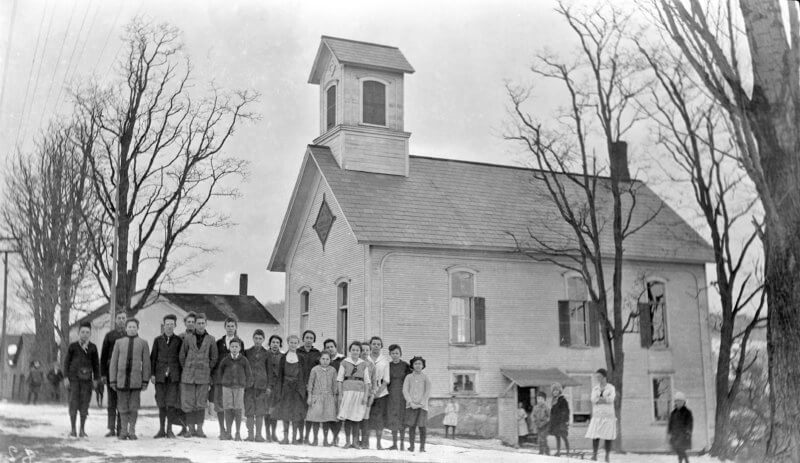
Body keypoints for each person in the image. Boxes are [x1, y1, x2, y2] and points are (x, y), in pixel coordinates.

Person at [109, 318, 151, 440]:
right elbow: (113, 363)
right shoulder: (119, 342)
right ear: (126, 328)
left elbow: (146, 364)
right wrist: (113, 380)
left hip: (136, 381)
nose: (132, 329)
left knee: (133, 407)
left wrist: (145, 381)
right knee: (122, 407)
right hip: (121, 380)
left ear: (138, 328)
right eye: (129, 327)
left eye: (134, 327)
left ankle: (132, 431)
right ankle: (123, 431)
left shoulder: (143, 343)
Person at [179, 313, 218, 438]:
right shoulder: (188, 338)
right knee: (189, 403)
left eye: (203, 323)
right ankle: (190, 429)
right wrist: (188, 368)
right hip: (188, 377)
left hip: (203, 376)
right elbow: (182, 356)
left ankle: (200, 429)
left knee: (201, 403)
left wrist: (206, 368)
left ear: (206, 324)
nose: (201, 325)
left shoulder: (211, 339)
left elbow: (214, 358)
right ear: (195, 324)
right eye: (198, 323)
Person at [64, 321, 100, 438]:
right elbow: (66, 363)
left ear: (90, 334)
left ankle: (82, 430)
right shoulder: (73, 347)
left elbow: (96, 365)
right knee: (73, 403)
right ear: (78, 333)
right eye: (82, 332)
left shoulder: (93, 348)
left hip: (87, 380)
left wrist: (96, 379)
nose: (85, 334)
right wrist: (66, 377)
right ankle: (73, 429)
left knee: (85, 403)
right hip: (74, 379)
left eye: (87, 332)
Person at [150, 314, 183, 438]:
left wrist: (178, 375)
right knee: (161, 403)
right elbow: (153, 358)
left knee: (171, 404)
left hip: (173, 377)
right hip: (160, 377)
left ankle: (169, 430)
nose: (169, 327)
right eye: (167, 324)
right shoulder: (157, 340)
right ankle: (161, 430)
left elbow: (181, 359)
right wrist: (152, 374)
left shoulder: (179, 341)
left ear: (175, 326)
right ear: (164, 326)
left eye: (171, 324)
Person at [337, 341, 370, 449]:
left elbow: (367, 381)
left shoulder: (364, 364)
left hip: (359, 393)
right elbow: (339, 379)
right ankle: (347, 441)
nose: (355, 352)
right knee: (347, 417)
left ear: (360, 352)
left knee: (356, 417)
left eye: (357, 350)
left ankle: (355, 442)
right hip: (347, 392)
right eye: (353, 350)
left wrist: (365, 396)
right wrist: (340, 394)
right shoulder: (344, 362)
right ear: (350, 351)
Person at [218, 337, 252, 441]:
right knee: (228, 409)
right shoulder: (225, 360)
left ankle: (237, 432)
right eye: (232, 346)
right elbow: (220, 372)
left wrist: (246, 384)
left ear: (240, 348)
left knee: (238, 409)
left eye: (236, 346)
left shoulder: (244, 360)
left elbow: (248, 373)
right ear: (229, 348)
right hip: (227, 387)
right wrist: (222, 382)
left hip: (239, 387)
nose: (234, 348)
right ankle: (228, 432)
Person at [277, 334, 307, 444]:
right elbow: (280, 375)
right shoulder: (283, 357)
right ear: (288, 343)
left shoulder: (301, 358)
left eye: (295, 343)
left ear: (298, 344)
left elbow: (304, 375)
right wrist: (280, 390)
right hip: (286, 387)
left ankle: (294, 438)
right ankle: (285, 437)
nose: (293, 345)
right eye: (291, 342)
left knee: (295, 413)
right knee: (285, 412)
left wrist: (302, 389)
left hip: (297, 388)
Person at [100, 311, 127, 437]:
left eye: (123, 318)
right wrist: (103, 374)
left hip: (125, 374)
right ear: (115, 320)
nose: (121, 320)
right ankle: (111, 428)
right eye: (119, 318)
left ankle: (122, 427)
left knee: (123, 401)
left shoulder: (130, 335)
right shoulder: (110, 336)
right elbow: (104, 356)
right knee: (112, 402)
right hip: (111, 373)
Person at [212, 317, 238, 439]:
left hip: (234, 381)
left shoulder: (239, 343)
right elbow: (215, 360)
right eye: (228, 326)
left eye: (232, 326)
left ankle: (229, 431)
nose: (230, 328)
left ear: (236, 328)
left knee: (231, 405)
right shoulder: (218, 343)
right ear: (225, 327)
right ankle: (222, 430)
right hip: (220, 379)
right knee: (219, 404)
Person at [306, 351, 338, 446]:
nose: (325, 361)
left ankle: (325, 440)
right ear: (319, 359)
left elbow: (335, 385)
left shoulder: (333, 370)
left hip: (329, 398)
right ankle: (315, 439)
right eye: (323, 359)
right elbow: (310, 384)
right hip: (317, 396)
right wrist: (309, 396)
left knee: (327, 419)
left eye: (327, 359)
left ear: (330, 360)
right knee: (315, 419)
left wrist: (335, 396)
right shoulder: (315, 370)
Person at [585, 368, 617, 462]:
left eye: (599, 376)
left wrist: (600, 399)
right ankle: (594, 455)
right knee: (595, 434)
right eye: (597, 377)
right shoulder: (595, 388)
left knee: (608, 436)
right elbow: (593, 399)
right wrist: (604, 399)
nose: (598, 378)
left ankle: (607, 456)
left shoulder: (611, 388)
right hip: (598, 414)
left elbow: (611, 399)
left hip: (608, 415)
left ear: (604, 377)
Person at [365, 336, 390, 449]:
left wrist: (377, 394)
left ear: (381, 347)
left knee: (379, 419)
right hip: (367, 391)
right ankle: (366, 442)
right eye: (374, 344)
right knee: (366, 417)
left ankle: (379, 443)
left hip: (381, 393)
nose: (376, 346)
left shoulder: (384, 361)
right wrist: (369, 392)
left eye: (378, 344)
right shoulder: (366, 359)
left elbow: (386, 380)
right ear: (370, 345)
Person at [174, 311, 197, 437]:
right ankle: (183, 427)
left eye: (193, 322)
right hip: (183, 373)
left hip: (196, 374)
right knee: (182, 401)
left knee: (194, 401)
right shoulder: (180, 337)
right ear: (184, 323)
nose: (191, 324)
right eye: (188, 322)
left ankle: (194, 428)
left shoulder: (200, 337)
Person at [244, 329, 269, 441]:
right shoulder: (247, 352)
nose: (258, 340)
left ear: (263, 340)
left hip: (261, 386)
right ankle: (250, 434)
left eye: (260, 338)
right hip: (249, 386)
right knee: (249, 410)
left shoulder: (267, 354)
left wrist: (269, 386)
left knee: (260, 411)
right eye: (256, 338)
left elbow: (269, 371)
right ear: (253, 338)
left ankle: (258, 435)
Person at [297, 329, 321, 444]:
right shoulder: (297, 352)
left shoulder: (317, 353)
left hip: (314, 387)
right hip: (300, 386)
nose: (309, 340)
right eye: (307, 338)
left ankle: (310, 437)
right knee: (301, 412)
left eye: (311, 338)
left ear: (314, 340)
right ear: (303, 339)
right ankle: (300, 436)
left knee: (312, 412)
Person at [403, 356, 431, 453]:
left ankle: (422, 447)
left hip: (423, 407)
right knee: (412, 426)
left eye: (420, 364)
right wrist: (410, 402)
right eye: (416, 364)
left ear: (423, 365)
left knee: (422, 427)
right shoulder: (409, 377)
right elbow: (405, 390)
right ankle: (411, 446)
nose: (418, 365)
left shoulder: (425, 377)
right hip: (411, 406)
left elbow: (427, 391)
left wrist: (422, 403)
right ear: (412, 365)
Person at [385, 344, 410, 450]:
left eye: (397, 353)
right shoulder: (388, 365)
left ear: (400, 354)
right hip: (391, 395)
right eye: (393, 353)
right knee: (393, 419)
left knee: (402, 419)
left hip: (402, 395)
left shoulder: (405, 365)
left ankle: (402, 444)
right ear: (390, 354)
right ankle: (395, 443)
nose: (395, 355)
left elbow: (409, 380)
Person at [323, 339, 345, 445]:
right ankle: (326, 438)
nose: (330, 349)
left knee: (337, 416)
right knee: (327, 415)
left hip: (338, 390)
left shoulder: (342, 359)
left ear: (335, 347)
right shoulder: (324, 360)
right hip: (326, 391)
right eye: (327, 347)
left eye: (332, 346)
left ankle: (335, 437)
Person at [265, 334, 283, 441]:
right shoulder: (266, 355)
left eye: (277, 342)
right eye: (273, 342)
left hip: (278, 387)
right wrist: (267, 386)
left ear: (280, 344)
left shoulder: (283, 356)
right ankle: (267, 433)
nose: (275, 344)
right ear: (269, 344)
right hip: (267, 386)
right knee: (267, 411)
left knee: (274, 411)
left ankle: (273, 433)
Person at [359, 340, 377, 448]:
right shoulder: (355, 363)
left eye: (367, 350)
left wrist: (373, 395)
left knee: (365, 417)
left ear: (370, 351)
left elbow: (374, 381)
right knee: (356, 417)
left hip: (368, 394)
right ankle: (356, 441)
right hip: (356, 393)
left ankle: (365, 442)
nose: (365, 352)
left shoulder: (372, 365)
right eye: (363, 350)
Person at [668, 391, 693, 463]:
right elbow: (671, 423)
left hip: (683, 434)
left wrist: (688, 431)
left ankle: (684, 461)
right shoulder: (674, 412)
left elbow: (689, 422)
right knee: (678, 449)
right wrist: (669, 432)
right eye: (676, 401)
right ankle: (684, 461)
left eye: (679, 401)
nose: (677, 403)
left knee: (681, 449)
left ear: (683, 402)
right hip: (675, 434)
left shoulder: (687, 412)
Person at [550, 382, 570, 456]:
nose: (555, 392)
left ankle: (568, 451)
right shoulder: (554, 400)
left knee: (564, 437)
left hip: (561, 422)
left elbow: (566, 411)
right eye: (554, 390)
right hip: (555, 422)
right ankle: (558, 451)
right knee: (557, 437)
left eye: (557, 390)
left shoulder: (562, 400)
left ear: (559, 391)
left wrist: (565, 420)